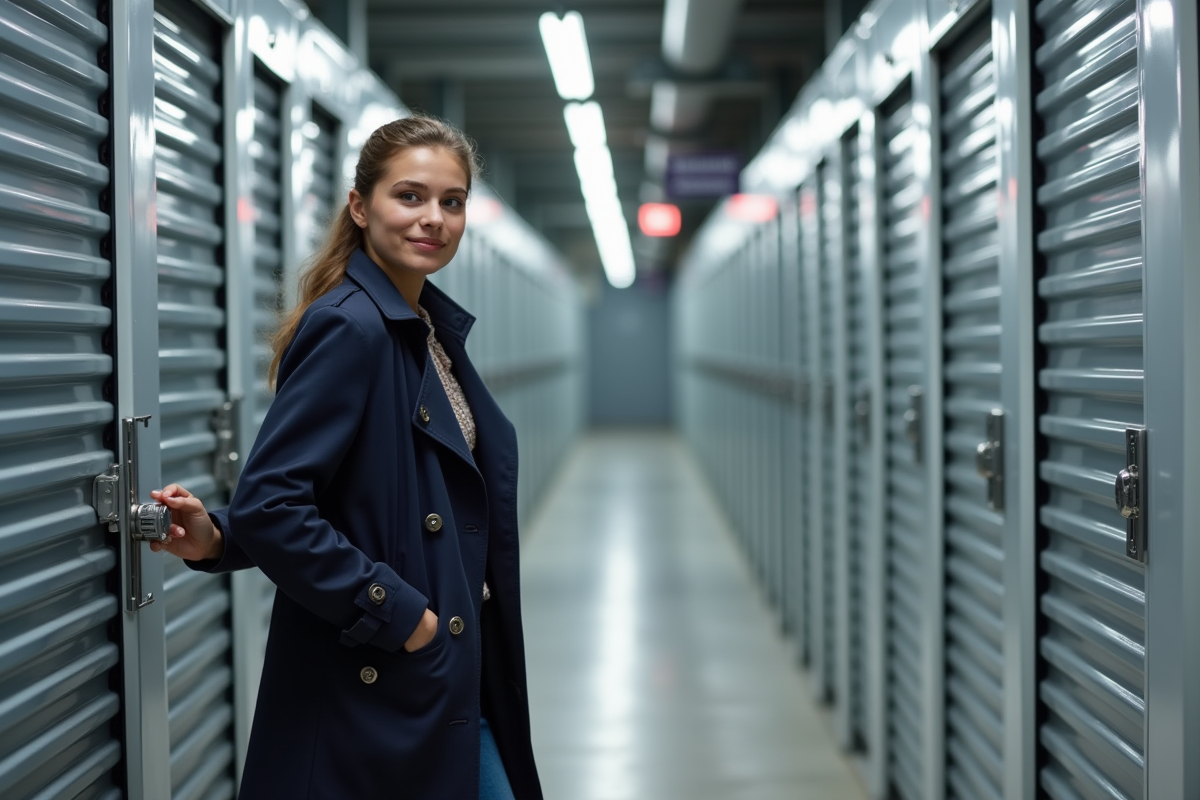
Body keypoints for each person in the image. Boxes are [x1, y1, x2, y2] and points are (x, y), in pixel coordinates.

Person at [149, 115, 541, 800]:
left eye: (452, 202)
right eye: (410, 196)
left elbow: (348, 494)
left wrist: (221, 535)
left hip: (450, 657)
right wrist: (401, 617)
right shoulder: (353, 326)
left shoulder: (422, 329)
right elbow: (278, 503)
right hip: (391, 664)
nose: (433, 219)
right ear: (361, 207)